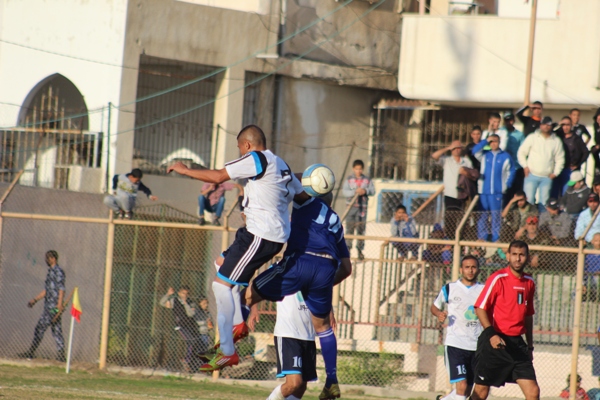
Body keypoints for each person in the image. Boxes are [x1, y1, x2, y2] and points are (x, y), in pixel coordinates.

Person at [167, 125, 307, 371]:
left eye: (239, 148)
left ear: (248, 146)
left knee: (220, 286)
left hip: (260, 236)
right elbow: (302, 196)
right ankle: (237, 325)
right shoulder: (281, 164)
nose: (240, 154)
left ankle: (228, 351)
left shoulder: (256, 158)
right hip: (255, 234)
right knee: (221, 264)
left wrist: (185, 170)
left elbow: (218, 177)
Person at [243, 191, 352, 400]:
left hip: (307, 333)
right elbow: (262, 286)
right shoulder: (286, 268)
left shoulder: (310, 270)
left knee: (301, 388)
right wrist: (253, 306)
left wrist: (329, 309)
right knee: (294, 383)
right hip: (289, 332)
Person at [471, 241, 539, 400]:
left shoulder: (529, 282)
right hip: (495, 341)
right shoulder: (498, 278)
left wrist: (529, 346)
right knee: (480, 393)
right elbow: (480, 308)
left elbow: (528, 314)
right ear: (508, 256)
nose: (517, 259)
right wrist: (491, 334)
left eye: (521, 255)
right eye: (514, 254)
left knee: (533, 392)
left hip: (517, 345)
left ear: (527, 258)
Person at [430, 255, 484, 400]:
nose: (470, 270)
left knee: (466, 391)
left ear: (478, 270)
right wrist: (439, 314)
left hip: (476, 346)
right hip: (456, 344)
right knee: (461, 386)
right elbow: (434, 307)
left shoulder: (484, 290)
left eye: (473, 267)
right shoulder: (450, 288)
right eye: (467, 267)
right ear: (461, 270)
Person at [248, 292, 317, 400]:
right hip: (288, 334)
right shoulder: (283, 275)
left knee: (301, 387)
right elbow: (256, 287)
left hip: (308, 336)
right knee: (293, 383)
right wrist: (254, 309)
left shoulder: (315, 275)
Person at [18, 250, 66, 362]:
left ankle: (31, 352)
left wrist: (59, 305)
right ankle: (61, 355)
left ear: (53, 258)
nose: (46, 260)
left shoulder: (58, 272)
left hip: (53, 307)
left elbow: (61, 289)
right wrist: (35, 300)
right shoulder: (50, 272)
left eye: (48, 258)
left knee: (40, 327)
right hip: (48, 305)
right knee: (56, 329)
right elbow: (47, 290)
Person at [472, 134, 515, 242]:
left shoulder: (505, 156)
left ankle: (496, 238)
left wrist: (507, 185)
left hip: (497, 192)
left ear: (499, 142)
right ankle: (482, 237)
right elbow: (474, 150)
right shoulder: (484, 155)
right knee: (483, 215)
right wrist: (485, 141)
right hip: (484, 191)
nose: (493, 144)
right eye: (491, 142)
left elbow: (511, 171)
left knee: (496, 216)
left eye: (495, 141)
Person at [517, 116, 565, 211]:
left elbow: (560, 159)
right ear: (540, 125)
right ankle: (528, 224)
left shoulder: (556, 141)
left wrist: (555, 173)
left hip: (546, 177)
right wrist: (525, 166)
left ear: (551, 126)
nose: (546, 127)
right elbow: (521, 153)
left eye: (548, 125)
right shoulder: (532, 137)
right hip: (531, 175)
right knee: (529, 202)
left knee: (544, 203)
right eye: (544, 124)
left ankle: (542, 224)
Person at [431, 140, 475, 239]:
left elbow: (473, 176)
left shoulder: (466, 161)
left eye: (458, 148)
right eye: (454, 148)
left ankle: (461, 239)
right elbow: (434, 156)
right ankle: (450, 240)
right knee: (450, 219)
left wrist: (466, 173)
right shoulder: (447, 160)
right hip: (450, 194)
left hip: (463, 195)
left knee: (463, 219)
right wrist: (447, 148)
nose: (456, 150)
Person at [160, 286, 205, 373]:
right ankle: (185, 361)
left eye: (187, 294)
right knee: (190, 341)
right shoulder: (174, 300)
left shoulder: (190, 303)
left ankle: (189, 362)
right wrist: (167, 295)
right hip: (180, 326)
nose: (185, 295)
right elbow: (162, 303)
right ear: (179, 293)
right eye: (183, 293)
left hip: (189, 326)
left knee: (195, 342)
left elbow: (191, 314)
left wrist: (185, 304)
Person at [342, 159, 375, 261]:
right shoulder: (349, 180)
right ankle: (348, 249)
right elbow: (345, 192)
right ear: (353, 169)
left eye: (360, 169)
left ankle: (360, 250)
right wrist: (354, 192)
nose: (358, 171)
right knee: (350, 229)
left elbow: (373, 191)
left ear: (362, 169)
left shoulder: (367, 180)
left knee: (361, 229)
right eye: (356, 169)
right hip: (351, 208)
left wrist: (364, 191)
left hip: (362, 209)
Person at [552, 116, 589, 198]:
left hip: (568, 169)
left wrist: (578, 164)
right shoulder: (557, 136)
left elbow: (585, 152)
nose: (565, 127)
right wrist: (558, 124)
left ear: (571, 125)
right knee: (553, 192)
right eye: (563, 125)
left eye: (568, 125)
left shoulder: (576, 139)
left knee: (566, 192)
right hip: (556, 168)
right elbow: (549, 129)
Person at [503, 113, 526, 200]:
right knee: (506, 191)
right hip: (504, 166)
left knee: (516, 190)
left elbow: (523, 149)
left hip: (516, 166)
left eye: (511, 120)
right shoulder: (502, 132)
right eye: (507, 120)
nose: (509, 122)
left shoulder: (519, 134)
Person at [592, 108, 600, 174]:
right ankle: (597, 167)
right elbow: (596, 138)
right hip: (598, 146)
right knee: (593, 149)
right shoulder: (596, 126)